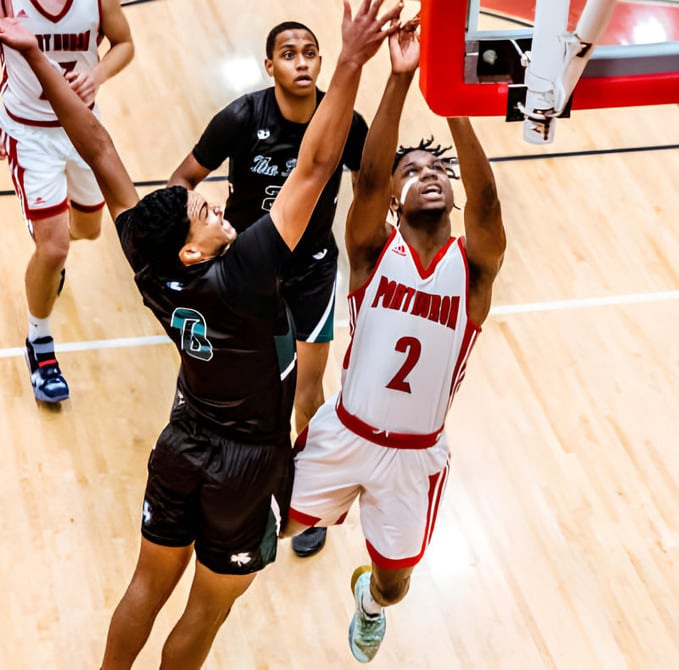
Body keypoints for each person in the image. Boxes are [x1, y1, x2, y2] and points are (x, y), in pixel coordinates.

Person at [0, 2, 401, 667]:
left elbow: (97, 146)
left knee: (145, 586)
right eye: (203, 211)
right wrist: (354, 62)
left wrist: (35, 56)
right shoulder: (245, 271)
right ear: (194, 250)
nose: (212, 202)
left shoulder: (155, 266)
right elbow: (315, 165)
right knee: (206, 610)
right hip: (243, 464)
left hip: (182, 442)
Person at [282, 21, 506, 664]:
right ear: (393, 201)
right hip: (343, 434)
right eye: (415, 170)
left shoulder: (476, 270)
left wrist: (454, 108)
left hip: (413, 458)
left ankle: (370, 604)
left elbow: (488, 201)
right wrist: (401, 77)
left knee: (396, 582)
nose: (428, 176)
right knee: (270, 533)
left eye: (439, 170)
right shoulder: (371, 250)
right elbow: (369, 177)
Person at [168, 20, 369, 559]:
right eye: (288, 53)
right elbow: (182, 178)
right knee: (245, 394)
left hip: (312, 274)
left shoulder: (344, 121)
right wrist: (192, 223)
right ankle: (219, 485)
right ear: (269, 66)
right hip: (248, 276)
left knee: (307, 393)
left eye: (310, 53)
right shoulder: (241, 116)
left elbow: (375, 182)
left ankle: (304, 503)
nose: (301, 62)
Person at [0, 0, 133, 404]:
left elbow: (125, 43)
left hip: (82, 127)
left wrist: (97, 76)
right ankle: (39, 343)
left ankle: (46, 236)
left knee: (89, 230)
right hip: (28, 131)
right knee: (54, 247)